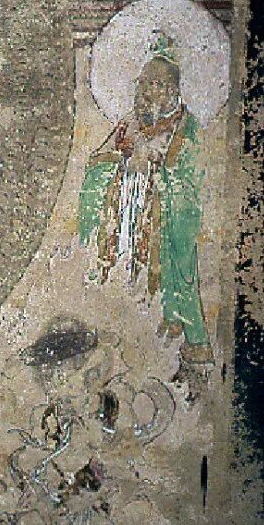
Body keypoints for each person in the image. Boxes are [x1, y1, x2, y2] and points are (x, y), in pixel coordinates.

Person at [79, 32, 212, 394]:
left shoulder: (186, 127)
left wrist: (157, 166)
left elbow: (192, 179)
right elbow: (100, 160)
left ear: (173, 89)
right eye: (146, 83)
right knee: (124, 278)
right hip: (127, 212)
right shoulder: (130, 121)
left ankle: (181, 347)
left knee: (172, 274)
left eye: (158, 84)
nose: (151, 91)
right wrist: (122, 160)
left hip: (163, 220)